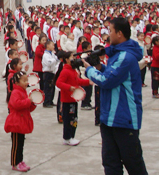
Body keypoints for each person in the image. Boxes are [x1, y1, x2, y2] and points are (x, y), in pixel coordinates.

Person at [85, 17, 147, 175]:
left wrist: (89, 70)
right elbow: (114, 75)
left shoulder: (124, 57)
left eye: (111, 31)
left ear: (119, 34)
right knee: (111, 164)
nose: (108, 34)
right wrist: (99, 66)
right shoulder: (118, 54)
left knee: (134, 165)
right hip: (109, 118)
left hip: (123, 119)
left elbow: (107, 81)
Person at [55, 51, 90, 146]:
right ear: (66, 59)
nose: (73, 59)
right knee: (68, 119)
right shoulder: (65, 71)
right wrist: (69, 87)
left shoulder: (73, 70)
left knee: (74, 119)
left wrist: (88, 82)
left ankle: (71, 136)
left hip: (74, 99)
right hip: (67, 100)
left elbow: (77, 81)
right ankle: (67, 137)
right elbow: (58, 83)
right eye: (71, 57)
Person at [4, 72, 36, 172]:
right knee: (16, 144)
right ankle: (15, 163)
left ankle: (20, 160)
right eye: (24, 80)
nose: (26, 83)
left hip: (21, 121)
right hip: (16, 122)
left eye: (27, 80)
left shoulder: (23, 91)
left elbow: (27, 108)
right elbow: (17, 104)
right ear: (17, 82)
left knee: (21, 143)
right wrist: (28, 101)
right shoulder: (15, 92)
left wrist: (32, 103)